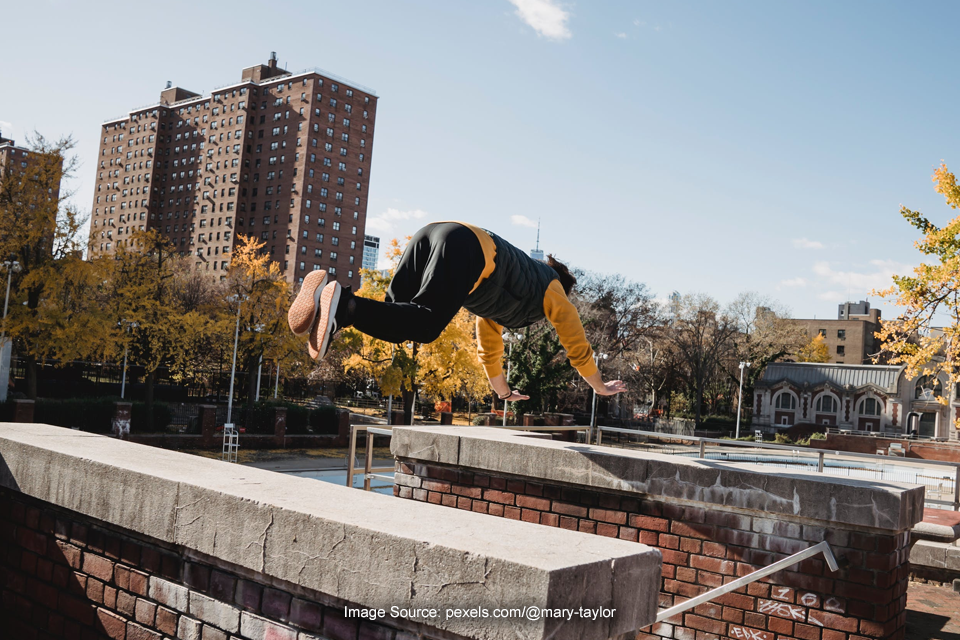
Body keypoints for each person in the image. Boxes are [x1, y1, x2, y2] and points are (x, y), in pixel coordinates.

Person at [288, 221, 625, 401]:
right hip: (465, 245)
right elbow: (576, 345)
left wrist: (503, 392)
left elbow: (488, 347)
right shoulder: (552, 288)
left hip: (430, 234)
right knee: (426, 325)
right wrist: (598, 386)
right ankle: (343, 305)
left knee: (397, 323)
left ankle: (331, 310)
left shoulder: (506, 293)